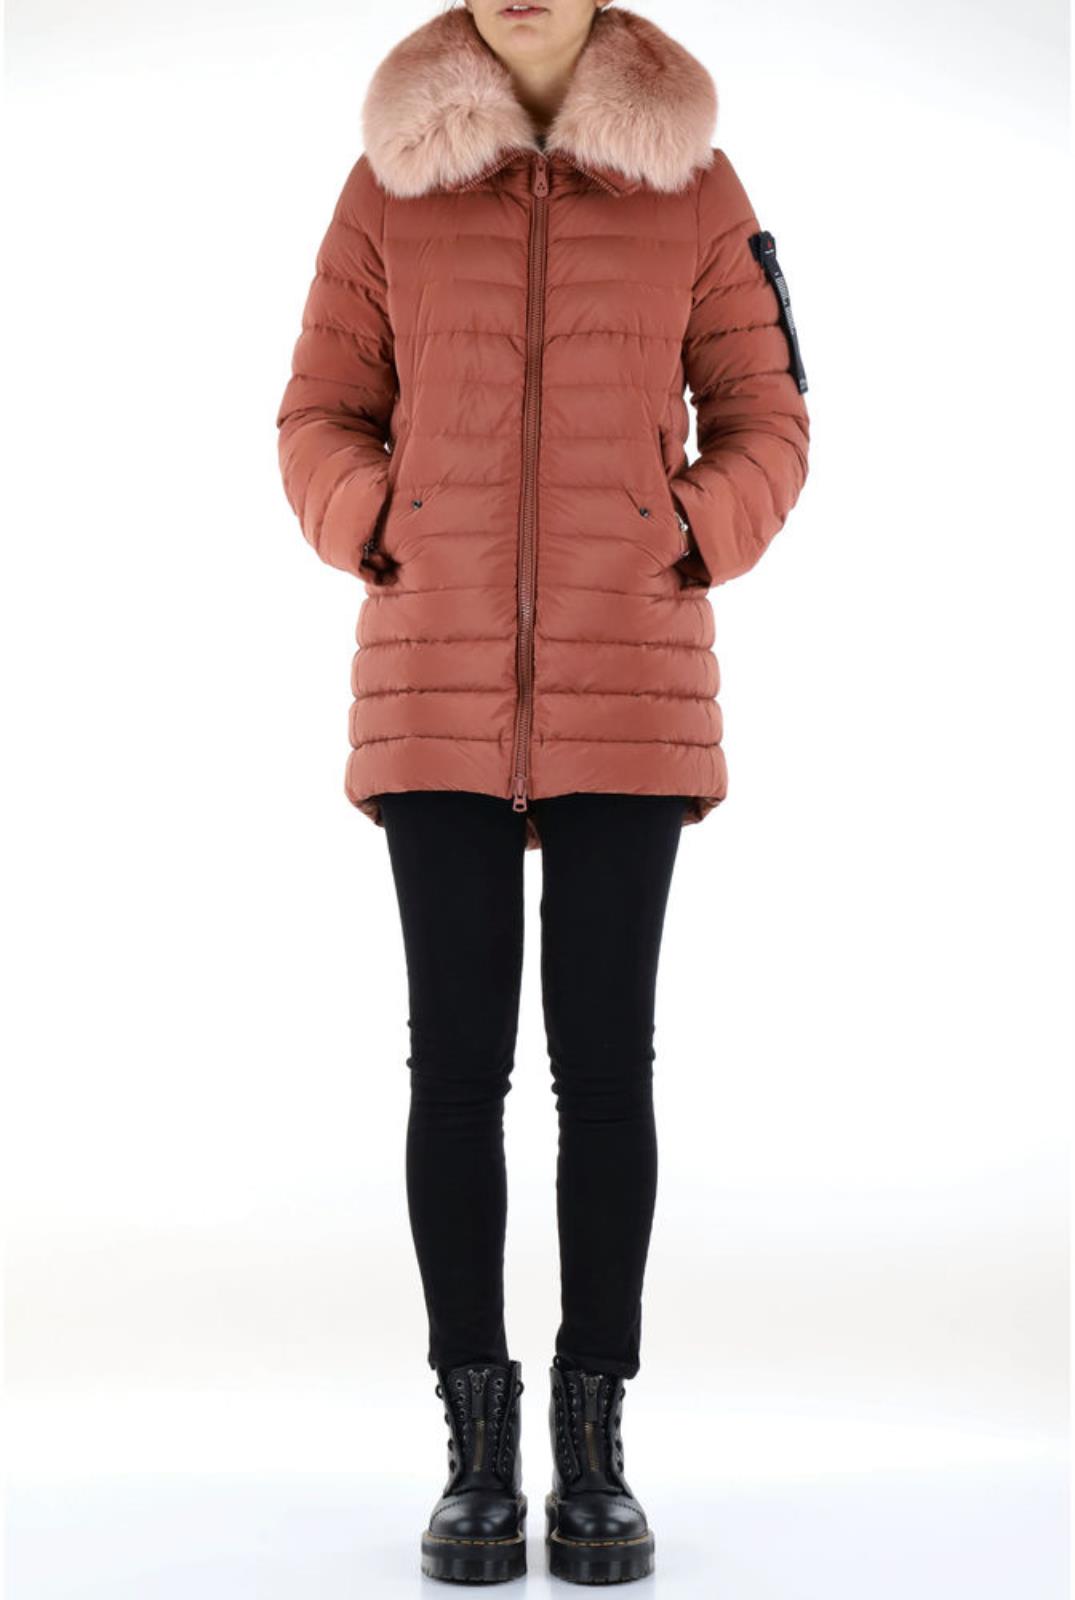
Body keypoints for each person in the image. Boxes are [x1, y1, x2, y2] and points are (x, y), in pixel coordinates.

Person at [275, 0, 810, 1583]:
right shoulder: (388, 182)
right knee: (455, 1072)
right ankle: (474, 1453)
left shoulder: (695, 183)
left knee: (603, 1071)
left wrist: (684, 535)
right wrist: (387, 522)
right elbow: (315, 416)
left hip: (628, 674)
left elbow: (771, 419)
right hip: (433, 677)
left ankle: (592, 1449)